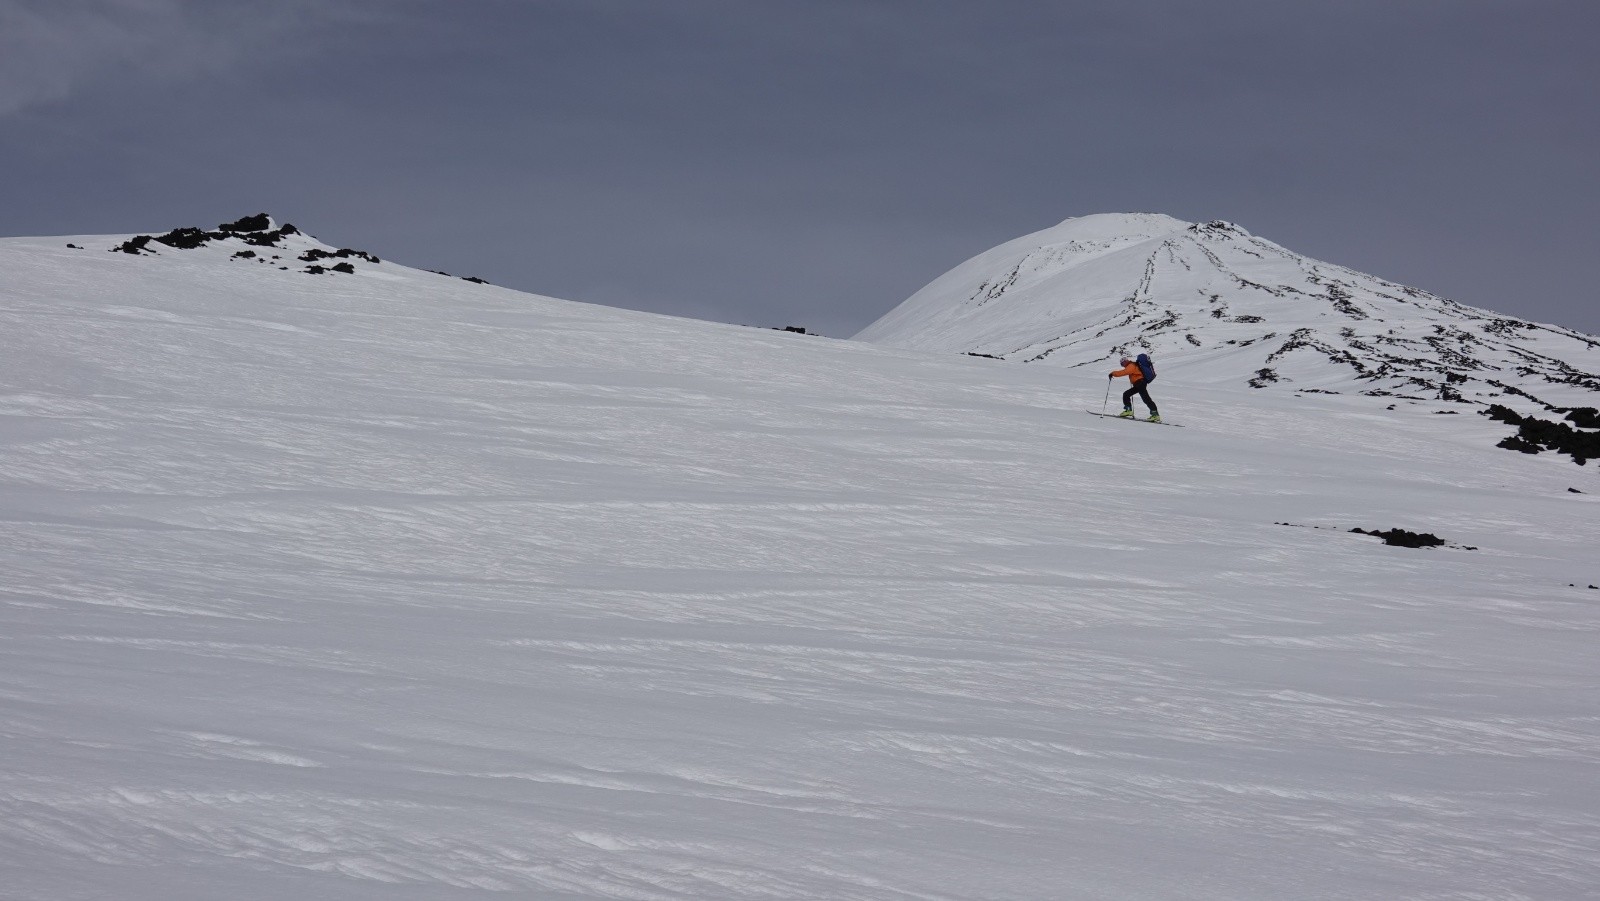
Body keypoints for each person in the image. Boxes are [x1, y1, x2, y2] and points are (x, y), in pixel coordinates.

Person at [1109, 353, 1160, 422]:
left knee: (1146, 398)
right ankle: (1128, 410)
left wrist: (1113, 373)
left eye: (1123, 363)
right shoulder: (1132, 365)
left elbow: (1124, 372)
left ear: (1126, 361)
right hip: (1138, 384)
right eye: (1122, 364)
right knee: (1126, 394)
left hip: (1140, 383)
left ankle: (1155, 415)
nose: (1123, 365)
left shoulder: (1131, 365)